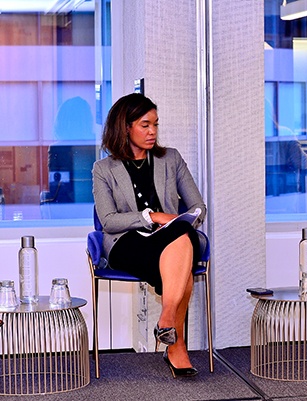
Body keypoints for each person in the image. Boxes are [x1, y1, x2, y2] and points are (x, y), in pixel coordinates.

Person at [92, 93, 206, 378]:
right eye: (145, 125)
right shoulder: (103, 169)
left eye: (155, 124)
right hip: (128, 241)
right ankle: (175, 343)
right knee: (183, 260)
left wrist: (176, 221)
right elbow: (108, 221)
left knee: (181, 233)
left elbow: (198, 207)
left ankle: (167, 318)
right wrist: (152, 216)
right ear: (125, 127)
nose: (153, 131)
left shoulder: (171, 159)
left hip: (172, 238)